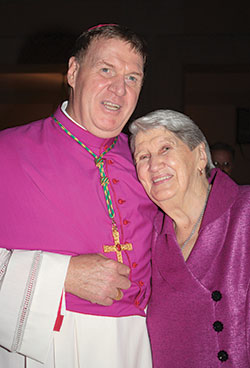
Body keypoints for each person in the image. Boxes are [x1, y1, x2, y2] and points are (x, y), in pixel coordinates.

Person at [0, 24, 158, 368]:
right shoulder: (6, 152)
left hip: (140, 348)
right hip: (46, 347)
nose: (119, 88)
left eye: (133, 78)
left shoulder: (148, 163)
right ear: (73, 71)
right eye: (106, 70)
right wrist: (62, 275)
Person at [129, 109, 250, 368]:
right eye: (143, 156)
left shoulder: (245, 212)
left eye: (165, 149)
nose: (154, 164)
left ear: (200, 157)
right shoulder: (147, 239)